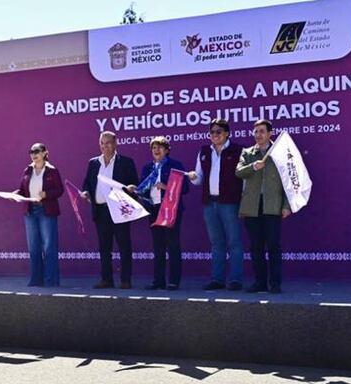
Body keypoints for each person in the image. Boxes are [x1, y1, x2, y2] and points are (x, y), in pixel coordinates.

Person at [186, 119, 245, 291]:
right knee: (216, 242)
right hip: (209, 203)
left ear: (227, 133)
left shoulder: (238, 151)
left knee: (234, 242)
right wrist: (192, 176)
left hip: (230, 203)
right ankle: (217, 279)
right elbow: (199, 179)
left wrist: (243, 201)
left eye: (218, 131)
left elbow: (245, 180)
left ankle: (235, 280)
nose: (214, 135)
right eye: (212, 132)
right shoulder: (204, 151)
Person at [236, 119, 291, 294]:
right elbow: (239, 172)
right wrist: (253, 166)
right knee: (256, 246)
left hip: (272, 206)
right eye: (256, 131)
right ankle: (260, 283)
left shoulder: (280, 153)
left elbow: (288, 181)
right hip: (252, 207)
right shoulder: (248, 153)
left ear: (269, 133)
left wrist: (286, 205)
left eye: (261, 131)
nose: (258, 135)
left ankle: (275, 283)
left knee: (273, 246)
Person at [128, 137, 188, 290]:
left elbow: (185, 188)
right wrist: (135, 189)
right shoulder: (148, 168)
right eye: (154, 147)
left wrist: (167, 187)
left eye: (160, 147)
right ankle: (158, 281)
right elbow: (143, 189)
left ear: (167, 150)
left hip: (170, 209)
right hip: (153, 209)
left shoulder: (175, 165)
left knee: (173, 245)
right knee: (158, 247)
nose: (156, 150)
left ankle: (174, 281)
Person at [80, 131, 138, 288]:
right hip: (100, 211)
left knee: (124, 246)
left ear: (116, 143)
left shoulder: (125, 162)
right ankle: (106, 279)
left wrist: (132, 188)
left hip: (119, 210)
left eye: (108, 143)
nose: (105, 146)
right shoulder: (93, 163)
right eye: (102, 143)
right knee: (104, 248)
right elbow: (87, 183)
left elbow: (135, 184)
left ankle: (125, 280)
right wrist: (85, 192)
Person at [15, 142, 64, 287]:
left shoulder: (52, 170)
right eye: (31, 152)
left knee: (49, 246)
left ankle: (51, 281)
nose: (34, 155)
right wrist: (14, 195)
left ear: (44, 153)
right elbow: (21, 190)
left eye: (37, 151)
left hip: (46, 210)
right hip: (30, 211)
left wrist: (47, 194)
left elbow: (60, 190)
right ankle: (36, 279)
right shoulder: (27, 170)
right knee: (33, 247)